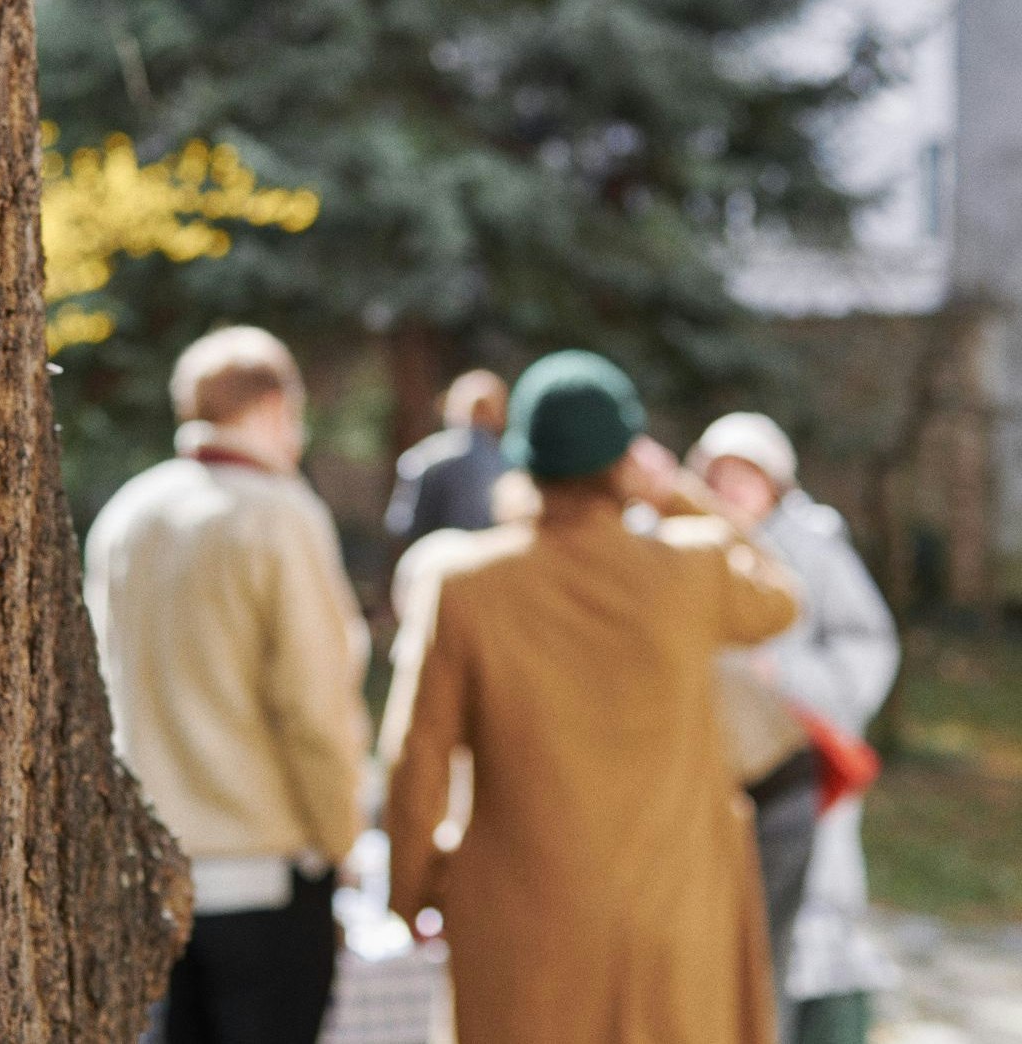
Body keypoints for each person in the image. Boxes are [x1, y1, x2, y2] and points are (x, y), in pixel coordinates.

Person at [384, 351, 799, 1044]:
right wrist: (678, 492)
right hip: (674, 921)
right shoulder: (689, 568)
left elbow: (415, 754)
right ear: (625, 457)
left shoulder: (464, 584)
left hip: (520, 925)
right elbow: (781, 594)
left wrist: (413, 889)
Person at [86, 326, 371, 1044]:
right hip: (265, 869)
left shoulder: (127, 515)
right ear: (276, 405)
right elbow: (313, 704)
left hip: (150, 869)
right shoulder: (280, 514)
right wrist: (344, 836)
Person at [692, 413, 900, 1044]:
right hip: (704, 773)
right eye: (719, 476)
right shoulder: (683, 544)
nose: (730, 490)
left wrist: (786, 672)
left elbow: (868, 643)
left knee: (792, 930)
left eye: (744, 477)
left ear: (774, 483)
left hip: (793, 768)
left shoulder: (811, 545)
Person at [386, 370, 510, 544]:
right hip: (496, 564)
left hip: (439, 564)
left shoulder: (423, 457)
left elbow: (401, 524)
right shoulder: (511, 463)